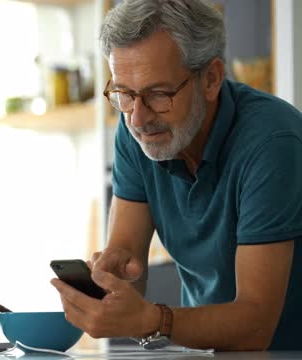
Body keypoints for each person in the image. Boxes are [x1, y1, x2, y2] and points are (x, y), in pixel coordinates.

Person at [51, 0, 302, 352]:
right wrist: (111, 278)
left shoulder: (271, 142)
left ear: (211, 79)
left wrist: (152, 320)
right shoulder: (137, 133)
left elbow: (256, 326)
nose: (137, 118)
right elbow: (126, 260)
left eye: (158, 94)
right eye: (123, 93)